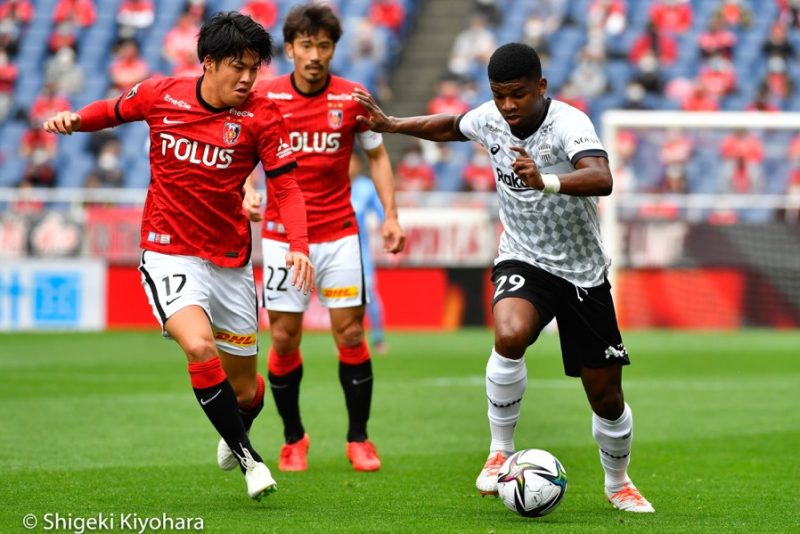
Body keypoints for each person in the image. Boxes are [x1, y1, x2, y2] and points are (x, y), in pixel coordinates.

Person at [353, 42, 655, 513]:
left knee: (606, 396)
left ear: (541, 86)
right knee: (509, 334)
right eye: (499, 95)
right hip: (523, 258)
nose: (508, 106)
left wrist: (546, 180)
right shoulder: (492, 118)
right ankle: (500, 451)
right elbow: (450, 126)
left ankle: (618, 484)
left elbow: (601, 177)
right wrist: (392, 124)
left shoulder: (569, 124)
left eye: (517, 95)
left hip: (582, 272)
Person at [42, 11, 315, 501]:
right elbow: (112, 110)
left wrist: (298, 245)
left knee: (248, 392)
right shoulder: (160, 94)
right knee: (198, 347)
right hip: (168, 251)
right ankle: (251, 459)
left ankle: (233, 429)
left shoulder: (261, 116)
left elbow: (288, 187)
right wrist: (75, 120)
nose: (248, 78)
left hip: (230, 260)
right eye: (238, 66)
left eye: (255, 68)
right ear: (208, 63)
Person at [242, 3, 404, 473]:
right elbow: (239, 151)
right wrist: (248, 189)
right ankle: (294, 439)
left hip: (338, 233)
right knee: (286, 338)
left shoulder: (353, 98)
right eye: (306, 45)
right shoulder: (265, 96)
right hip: (280, 236)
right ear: (290, 49)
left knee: (350, 332)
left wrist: (391, 216)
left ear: (334, 48)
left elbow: (377, 157)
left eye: (324, 45)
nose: (315, 54)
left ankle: (359, 438)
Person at [349, 152, 388, 354]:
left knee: (370, 294)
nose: (348, 165)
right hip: (337, 250)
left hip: (360, 252)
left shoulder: (365, 188)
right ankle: (347, 338)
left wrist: (389, 227)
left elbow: (383, 214)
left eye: (351, 160)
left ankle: (378, 338)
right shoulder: (334, 185)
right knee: (343, 297)